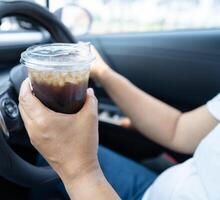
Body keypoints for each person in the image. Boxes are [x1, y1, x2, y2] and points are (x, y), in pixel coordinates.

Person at [18, 47, 220, 200]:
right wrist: (103, 73)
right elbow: (179, 129)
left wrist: (79, 171)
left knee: (50, 167)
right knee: (46, 162)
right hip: (159, 188)